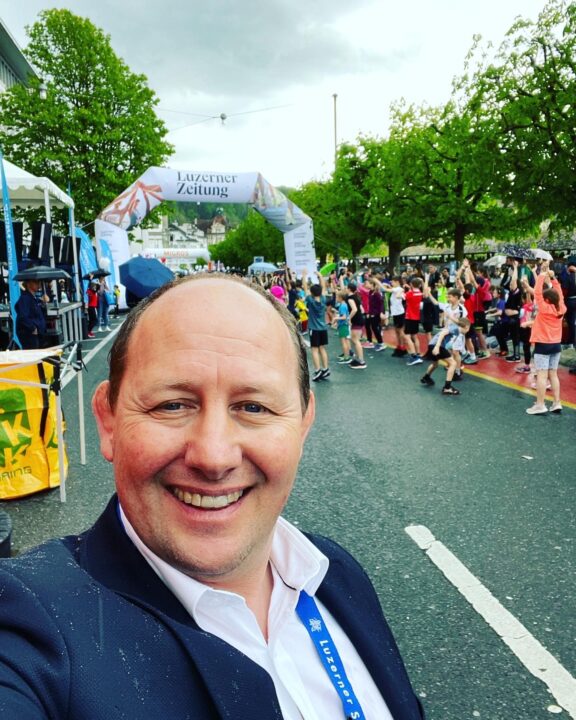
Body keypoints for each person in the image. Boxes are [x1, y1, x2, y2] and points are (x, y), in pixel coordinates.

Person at [0, 273, 424, 720]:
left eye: (254, 407)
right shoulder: (26, 618)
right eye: (172, 405)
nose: (214, 456)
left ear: (303, 424)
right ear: (108, 421)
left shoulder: (336, 572)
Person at [526, 262, 566, 414]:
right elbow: (559, 293)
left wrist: (542, 274)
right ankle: (556, 403)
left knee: (542, 376)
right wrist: (552, 278)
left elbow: (537, 292)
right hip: (556, 345)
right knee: (553, 374)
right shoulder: (561, 307)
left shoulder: (544, 308)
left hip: (543, 345)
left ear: (547, 300)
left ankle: (540, 404)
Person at [303, 271, 331, 381]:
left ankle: (317, 370)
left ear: (311, 292)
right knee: (322, 348)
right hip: (323, 328)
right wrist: (320, 276)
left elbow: (305, 288)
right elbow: (323, 287)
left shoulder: (310, 300)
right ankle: (325, 368)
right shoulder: (323, 299)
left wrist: (304, 276)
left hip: (314, 329)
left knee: (314, 350)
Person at [14, 278, 47, 349]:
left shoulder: (33, 298)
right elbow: (22, 316)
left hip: (36, 333)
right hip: (30, 335)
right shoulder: (25, 298)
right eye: (35, 281)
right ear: (28, 284)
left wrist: (43, 304)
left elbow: (39, 314)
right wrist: (32, 328)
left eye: (39, 281)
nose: (38, 284)